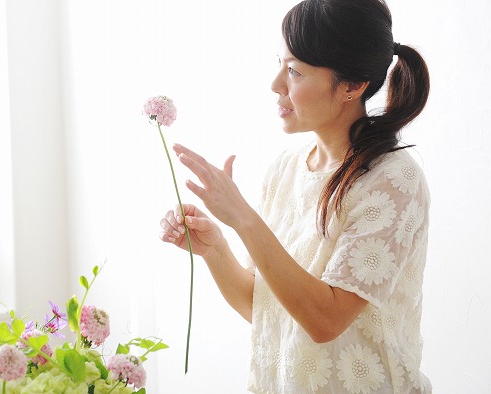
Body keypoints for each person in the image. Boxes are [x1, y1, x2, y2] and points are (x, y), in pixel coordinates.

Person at [159, 0, 431, 392]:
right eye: (281, 64)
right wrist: (215, 249)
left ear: (352, 86)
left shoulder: (393, 179)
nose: (276, 84)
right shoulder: (285, 169)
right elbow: (267, 308)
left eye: (294, 71)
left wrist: (243, 220)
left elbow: (325, 321)